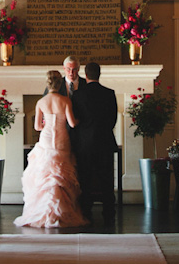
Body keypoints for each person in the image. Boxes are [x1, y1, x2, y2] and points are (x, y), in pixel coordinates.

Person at [14, 69, 88, 228]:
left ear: (47, 84)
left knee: (46, 174)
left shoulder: (41, 102)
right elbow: (73, 123)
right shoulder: (65, 101)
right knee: (60, 174)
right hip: (62, 139)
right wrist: (81, 120)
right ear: (60, 84)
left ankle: (44, 210)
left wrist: (47, 124)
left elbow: (37, 127)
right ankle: (62, 211)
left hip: (47, 139)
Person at [72, 61, 118, 226]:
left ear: (85, 75)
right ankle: (109, 213)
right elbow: (113, 119)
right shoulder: (109, 93)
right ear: (99, 74)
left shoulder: (78, 95)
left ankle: (86, 211)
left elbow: (75, 120)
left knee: (85, 178)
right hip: (105, 141)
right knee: (106, 179)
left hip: (85, 143)